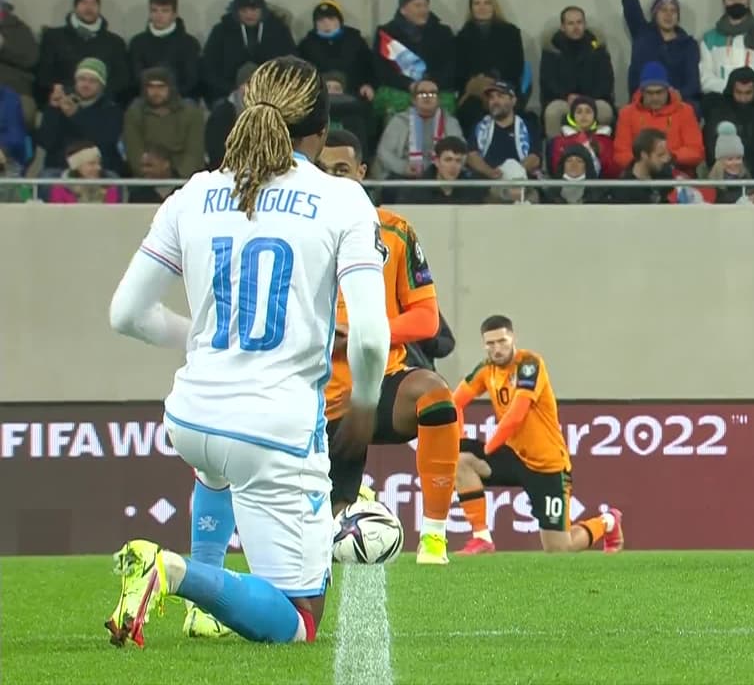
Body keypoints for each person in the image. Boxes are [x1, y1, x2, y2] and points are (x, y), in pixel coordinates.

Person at [104, 55, 391, 647]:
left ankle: (201, 607)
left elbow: (125, 315)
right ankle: (176, 574)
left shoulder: (195, 194)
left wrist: (205, 345)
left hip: (190, 417)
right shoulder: (343, 201)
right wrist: (363, 407)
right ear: (320, 128)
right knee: (298, 622)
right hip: (272, 429)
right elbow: (367, 335)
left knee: (214, 465)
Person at [315, 129, 460, 566]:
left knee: (434, 394)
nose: (333, 179)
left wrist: (363, 333)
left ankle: (434, 537)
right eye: (323, 170)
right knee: (329, 544)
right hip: (310, 399)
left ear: (361, 172)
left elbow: (426, 318)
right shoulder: (296, 234)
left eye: (342, 170)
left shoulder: (395, 231)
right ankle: (346, 500)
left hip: (376, 388)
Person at [451, 315, 624, 555]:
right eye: (490, 344)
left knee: (558, 547)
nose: (497, 348)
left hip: (547, 464)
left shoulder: (530, 365)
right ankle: (481, 539)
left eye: (502, 341)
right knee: (459, 459)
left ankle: (607, 522)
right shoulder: (485, 370)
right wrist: (456, 439)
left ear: (513, 338)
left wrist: (489, 449)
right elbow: (453, 404)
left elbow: (516, 416)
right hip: (514, 457)